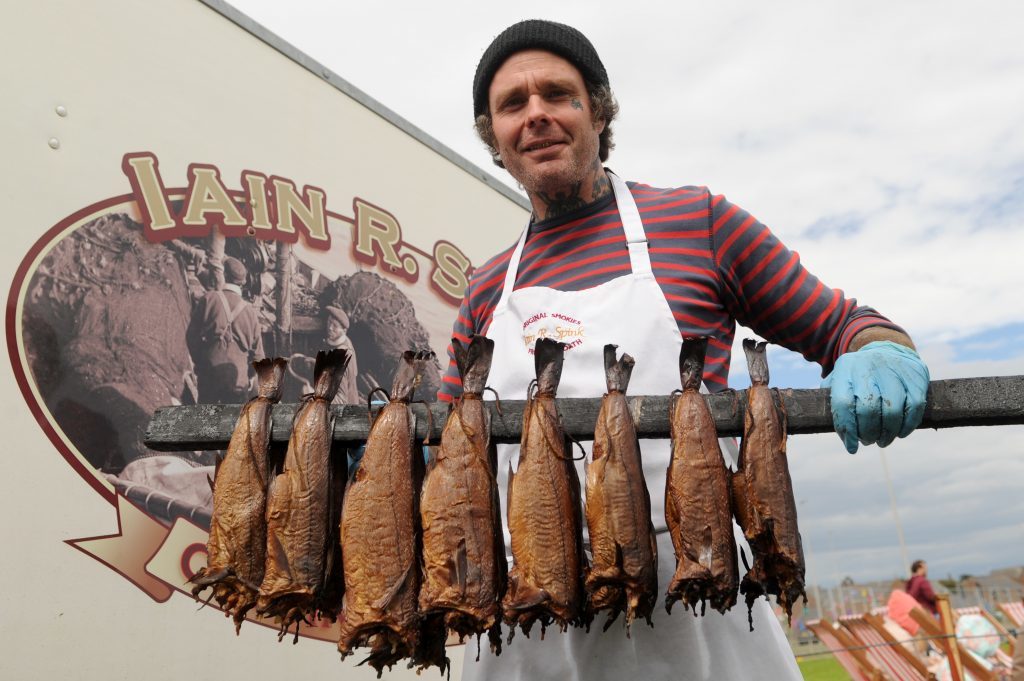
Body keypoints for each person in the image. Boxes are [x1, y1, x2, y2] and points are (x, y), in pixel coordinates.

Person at [439, 19, 931, 680]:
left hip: (694, 616)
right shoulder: (486, 287)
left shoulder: (698, 224)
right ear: (493, 138)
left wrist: (880, 352)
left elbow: (845, 323)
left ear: (599, 111)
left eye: (558, 94)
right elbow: (442, 452)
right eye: (513, 104)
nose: (537, 115)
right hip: (526, 635)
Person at [186, 256, 264, 404]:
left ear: (225, 275)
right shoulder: (251, 312)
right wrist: (248, 376)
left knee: (207, 422)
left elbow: (191, 336)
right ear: (243, 282)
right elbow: (259, 357)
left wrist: (200, 361)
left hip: (209, 373)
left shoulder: (209, 299)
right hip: (238, 380)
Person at [324, 305, 360, 404]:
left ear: (344, 330)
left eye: (335, 326)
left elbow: (341, 399)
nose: (330, 328)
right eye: (329, 322)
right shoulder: (346, 342)